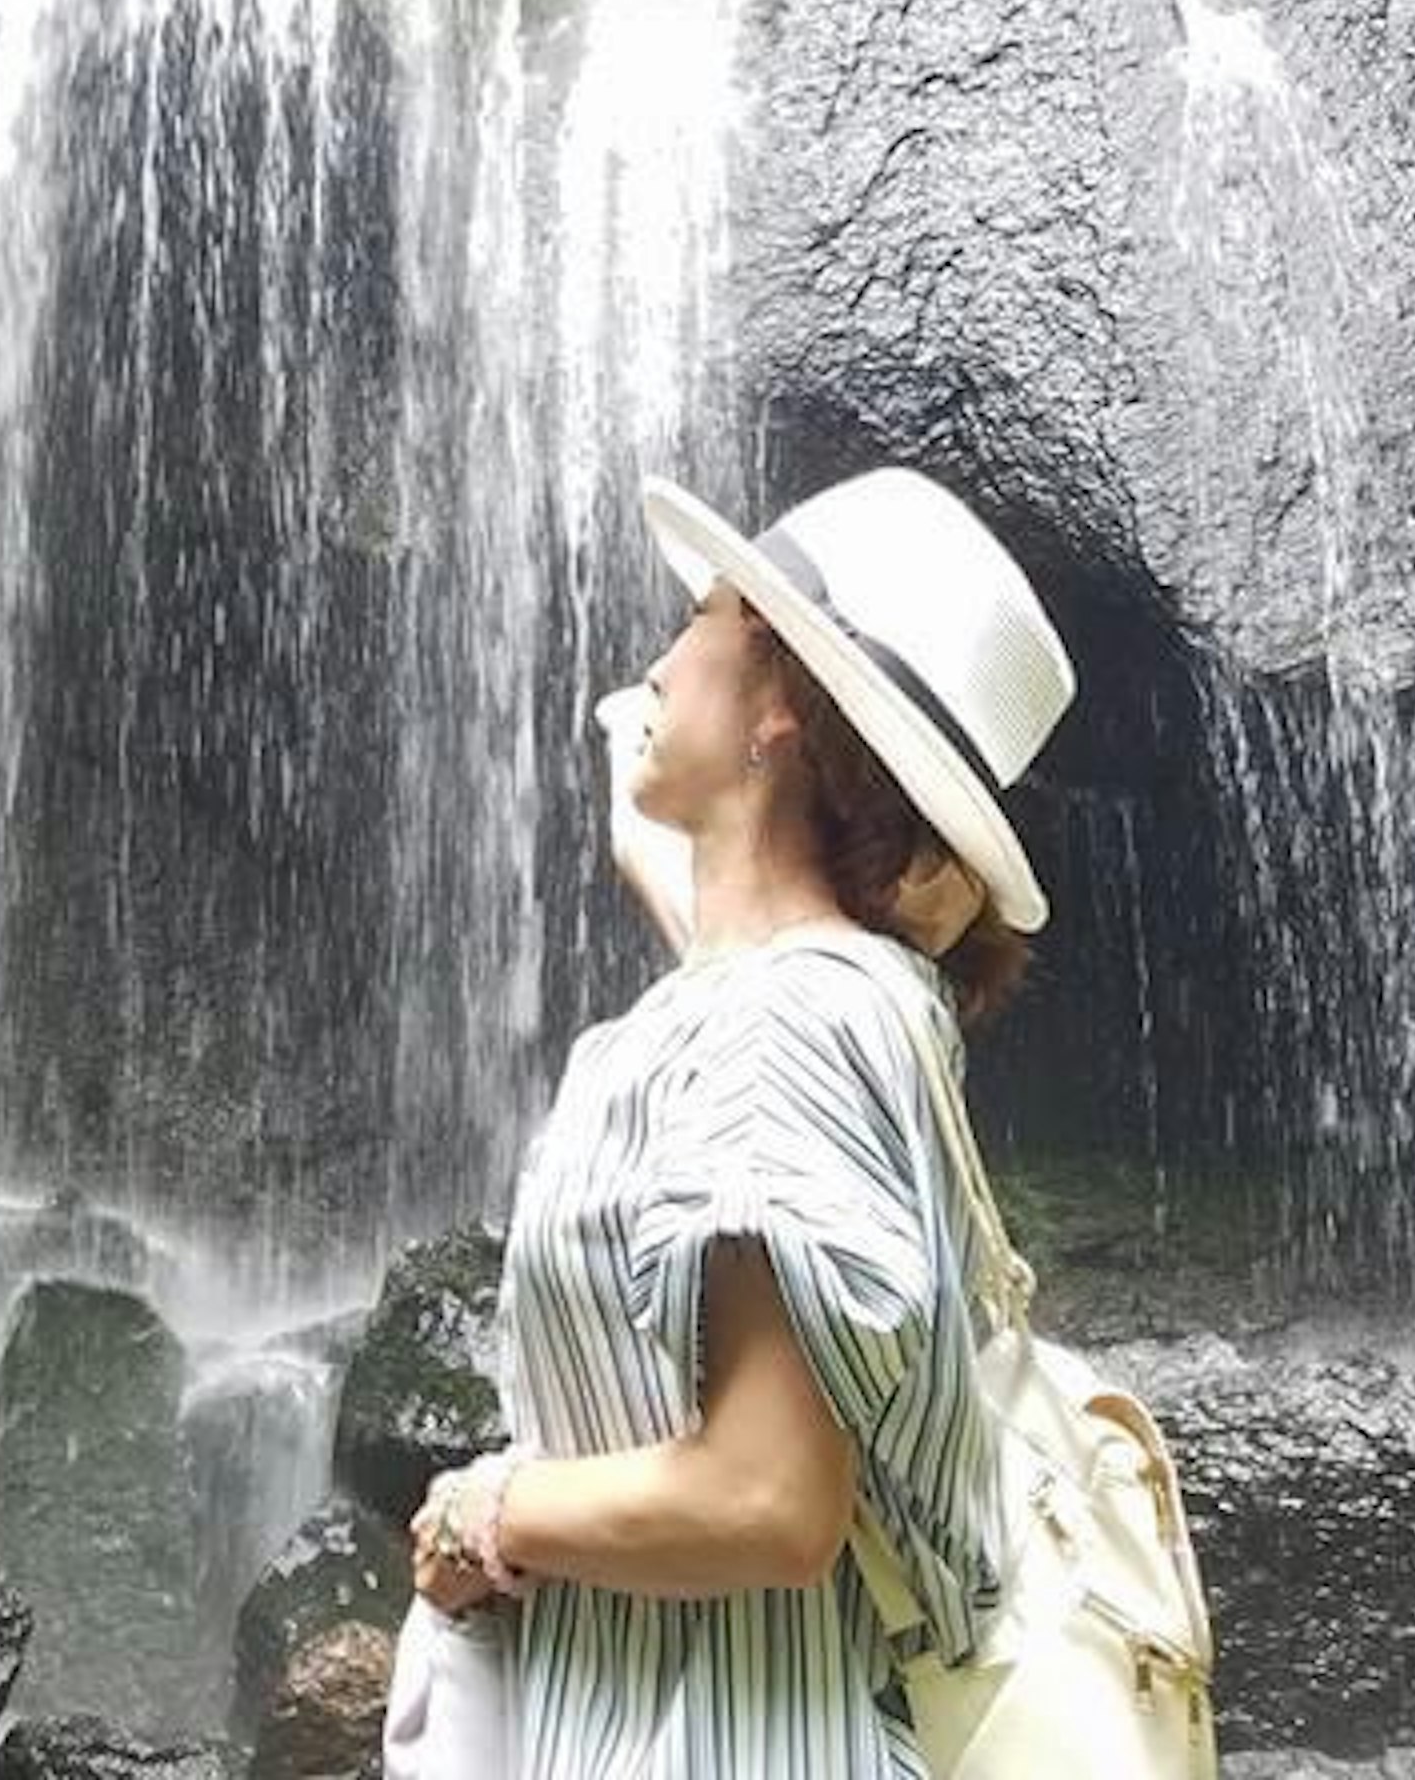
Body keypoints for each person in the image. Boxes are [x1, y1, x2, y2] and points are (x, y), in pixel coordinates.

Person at [404, 466, 1078, 1780]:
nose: (657, 661)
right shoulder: (812, 999)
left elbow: (769, 1504)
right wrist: (657, 832)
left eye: (702, 617)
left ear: (781, 706)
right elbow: (737, 995)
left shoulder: (798, 1023)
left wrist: (489, 1509)